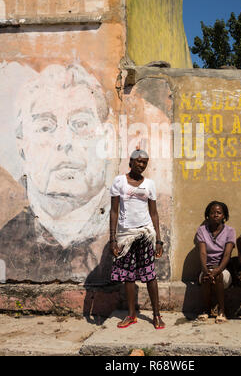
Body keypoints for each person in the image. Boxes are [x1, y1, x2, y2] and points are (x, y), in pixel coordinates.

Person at [0, 64, 115, 283]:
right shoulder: (4, 238)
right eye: (45, 127)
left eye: (80, 124)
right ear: (22, 145)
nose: (64, 142)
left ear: (107, 140)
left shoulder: (129, 226)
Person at [109, 149, 165, 330]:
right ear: (131, 161)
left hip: (145, 233)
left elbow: (154, 213)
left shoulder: (149, 184)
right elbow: (114, 211)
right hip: (126, 235)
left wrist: (158, 240)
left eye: (145, 163)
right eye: (139, 161)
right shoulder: (119, 182)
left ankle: (156, 315)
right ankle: (131, 315)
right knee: (128, 276)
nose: (142, 165)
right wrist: (113, 239)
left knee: (150, 275)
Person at [197, 201, 236, 323]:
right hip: (206, 268)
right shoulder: (202, 230)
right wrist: (206, 271)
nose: (216, 215)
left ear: (224, 216)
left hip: (223, 269)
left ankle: (222, 311)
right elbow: (203, 253)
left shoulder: (230, 231)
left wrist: (217, 271)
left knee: (218, 275)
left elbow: (227, 255)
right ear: (208, 215)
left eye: (219, 212)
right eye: (212, 212)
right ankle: (205, 309)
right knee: (205, 277)